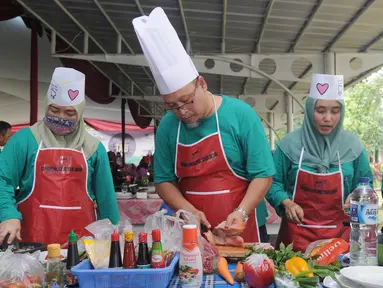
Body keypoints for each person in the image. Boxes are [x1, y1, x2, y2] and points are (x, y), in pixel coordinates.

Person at [133, 7, 275, 242]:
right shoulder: (169, 126)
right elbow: (164, 180)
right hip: (191, 228)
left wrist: (241, 212)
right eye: (172, 106)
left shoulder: (241, 115)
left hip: (243, 226)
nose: (182, 111)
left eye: (186, 101)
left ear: (202, 83)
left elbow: (263, 174)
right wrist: (189, 211)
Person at [0, 67, 120, 245]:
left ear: (79, 113)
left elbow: (106, 200)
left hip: (80, 247)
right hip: (30, 244)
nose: (60, 117)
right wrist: (8, 214)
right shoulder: (25, 140)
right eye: (54, 111)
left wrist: (113, 238)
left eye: (69, 113)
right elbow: (3, 179)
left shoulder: (94, 148)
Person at [266, 74, 373, 252]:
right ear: (309, 110)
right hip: (296, 239)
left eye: (335, 111)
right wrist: (286, 203)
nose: (328, 118)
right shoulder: (289, 145)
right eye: (321, 110)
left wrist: (356, 196)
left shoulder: (353, 146)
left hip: (340, 242)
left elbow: (366, 183)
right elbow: (271, 182)